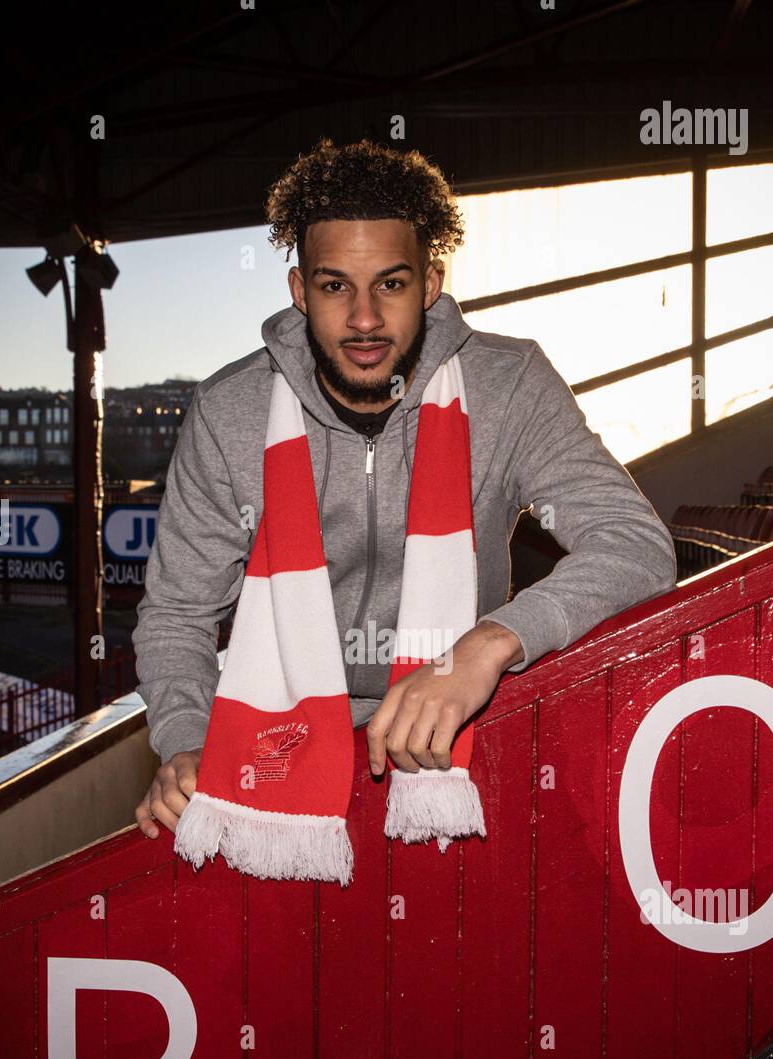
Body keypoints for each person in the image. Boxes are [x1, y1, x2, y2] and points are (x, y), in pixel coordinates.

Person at [134, 136, 676, 841]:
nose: (364, 319)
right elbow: (177, 613)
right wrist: (187, 740)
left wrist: (487, 646)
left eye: (390, 283)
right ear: (299, 292)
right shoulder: (229, 411)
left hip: (459, 738)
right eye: (335, 286)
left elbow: (635, 546)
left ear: (430, 283)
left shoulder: (509, 386)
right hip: (277, 750)